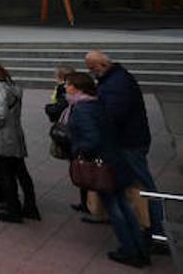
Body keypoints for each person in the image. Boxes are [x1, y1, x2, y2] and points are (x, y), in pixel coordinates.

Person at [64, 71, 149, 267]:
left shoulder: (83, 109)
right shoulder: (97, 102)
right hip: (114, 159)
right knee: (123, 205)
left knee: (115, 208)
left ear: (77, 88)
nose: (65, 88)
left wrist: (77, 150)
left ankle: (129, 250)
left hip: (103, 165)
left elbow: (91, 140)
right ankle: (139, 248)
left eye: (68, 85)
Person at [86, 50, 164, 250]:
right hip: (131, 140)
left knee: (142, 185)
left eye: (92, 68)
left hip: (128, 142)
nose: (91, 72)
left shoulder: (116, 84)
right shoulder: (117, 78)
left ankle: (156, 232)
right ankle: (147, 228)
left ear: (102, 65)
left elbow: (113, 116)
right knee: (134, 185)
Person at [0, 59, 38, 223]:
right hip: (15, 133)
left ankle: (13, 209)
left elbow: (0, 115)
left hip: (1, 137)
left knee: (6, 174)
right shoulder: (14, 86)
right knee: (21, 172)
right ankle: (30, 206)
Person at [45, 63, 89, 213]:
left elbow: (58, 108)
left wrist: (49, 109)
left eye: (67, 85)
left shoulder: (78, 101)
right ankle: (87, 202)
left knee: (83, 170)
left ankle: (89, 204)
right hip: (78, 140)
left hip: (79, 142)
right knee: (81, 169)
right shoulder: (78, 98)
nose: (65, 88)